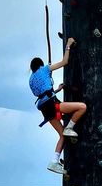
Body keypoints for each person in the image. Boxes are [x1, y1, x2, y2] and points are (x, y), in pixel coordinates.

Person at [29, 37, 86, 175]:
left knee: (62, 136)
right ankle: (70, 127)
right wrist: (68, 46)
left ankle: (54, 161)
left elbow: (43, 93)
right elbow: (65, 62)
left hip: (45, 109)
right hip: (52, 104)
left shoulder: (31, 80)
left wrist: (57, 90)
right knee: (82, 107)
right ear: (41, 65)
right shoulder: (44, 69)